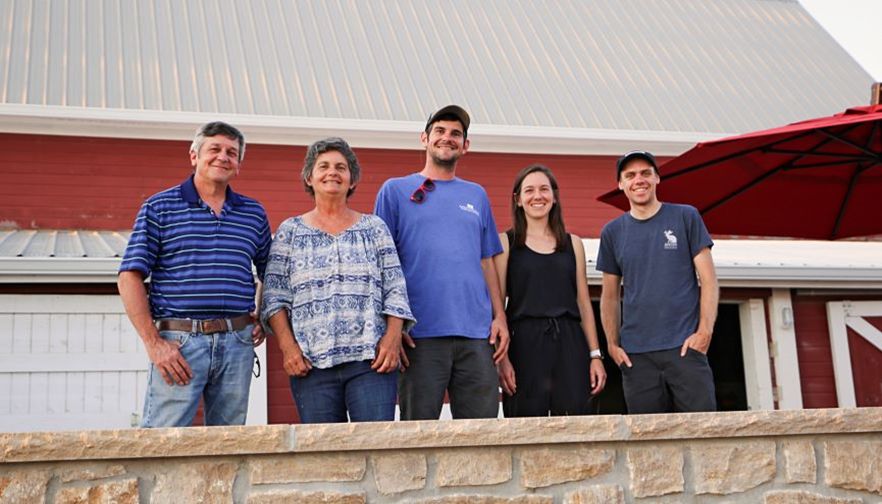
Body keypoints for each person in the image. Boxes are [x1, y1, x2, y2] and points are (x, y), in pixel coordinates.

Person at [118, 121, 271, 427]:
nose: (223, 157)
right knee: (165, 439)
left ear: (238, 164)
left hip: (237, 343)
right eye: (214, 149)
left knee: (228, 442)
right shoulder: (160, 207)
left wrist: (263, 316)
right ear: (194, 156)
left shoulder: (253, 213)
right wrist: (154, 343)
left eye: (232, 152)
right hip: (180, 343)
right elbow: (129, 276)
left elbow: (272, 272)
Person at [261, 137, 414, 423]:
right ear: (310, 177)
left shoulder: (374, 228)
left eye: (341, 167)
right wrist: (288, 348)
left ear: (352, 180)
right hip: (311, 364)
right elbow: (274, 298)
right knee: (324, 458)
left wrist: (392, 340)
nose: (333, 172)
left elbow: (395, 287)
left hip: (371, 363)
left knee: (374, 450)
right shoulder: (289, 232)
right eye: (324, 166)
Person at [374, 105, 509, 420]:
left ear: (465, 146)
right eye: (440, 131)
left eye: (456, 134)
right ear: (424, 138)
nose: (447, 138)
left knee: (480, 435)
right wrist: (392, 326)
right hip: (419, 335)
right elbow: (380, 262)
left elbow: (487, 259)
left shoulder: (476, 195)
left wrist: (499, 317)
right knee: (418, 435)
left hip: (477, 336)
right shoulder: (394, 191)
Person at [596, 150, 719, 414]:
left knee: (704, 433)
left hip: (686, 349)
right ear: (621, 184)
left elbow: (708, 280)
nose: (638, 180)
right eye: (630, 175)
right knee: (648, 444)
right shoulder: (612, 232)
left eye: (645, 173)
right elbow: (609, 295)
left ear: (657, 178)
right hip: (636, 355)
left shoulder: (685, 217)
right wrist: (612, 345)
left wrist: (704, 332)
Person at [495, 164, 606, 416]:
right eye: (529, 190)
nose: (538, 196)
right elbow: (497, 306)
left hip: (570, 341)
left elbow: (583, 304)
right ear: (518, 200)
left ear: (554, 197)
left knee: (575, 422)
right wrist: (502, 359)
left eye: (544, 189)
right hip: (524, 342)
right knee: (526, 423)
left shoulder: (573, 244)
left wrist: (595, 355)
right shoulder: (506, 243)